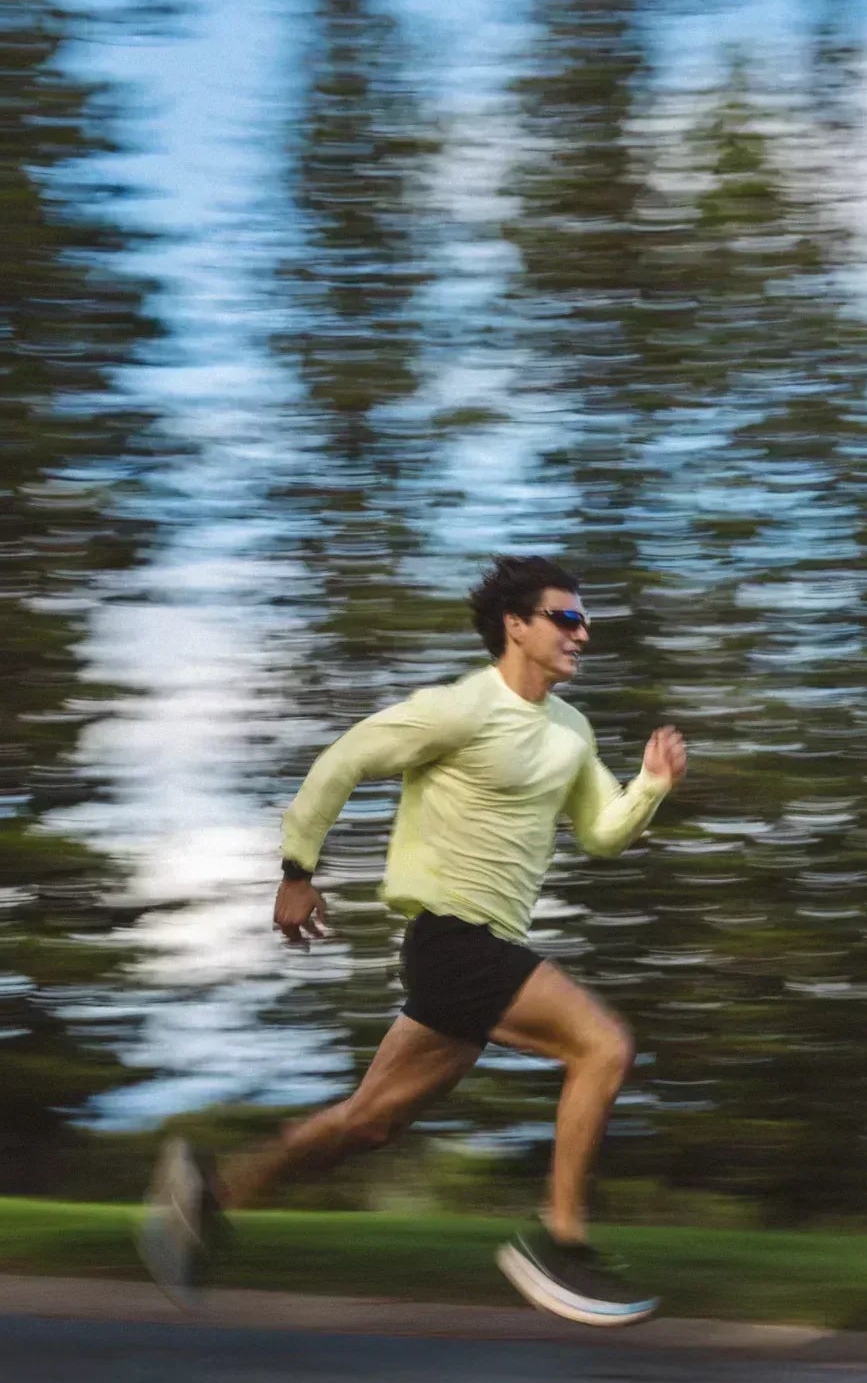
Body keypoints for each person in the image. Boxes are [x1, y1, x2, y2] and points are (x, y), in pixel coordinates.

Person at [141, 555, 686, 1325]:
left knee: (370, 1122)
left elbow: (600, 833)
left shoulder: (570, 731)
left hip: (483, 947)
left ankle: (209, 1194)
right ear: (516, 625)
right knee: (603, 1046)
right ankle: (560, 1243)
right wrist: (297, 870)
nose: (582, 633)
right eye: (566, 618)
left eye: (584, 620)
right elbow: (345, 759)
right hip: (452, 939)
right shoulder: (458, 709)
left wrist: (651, 786)